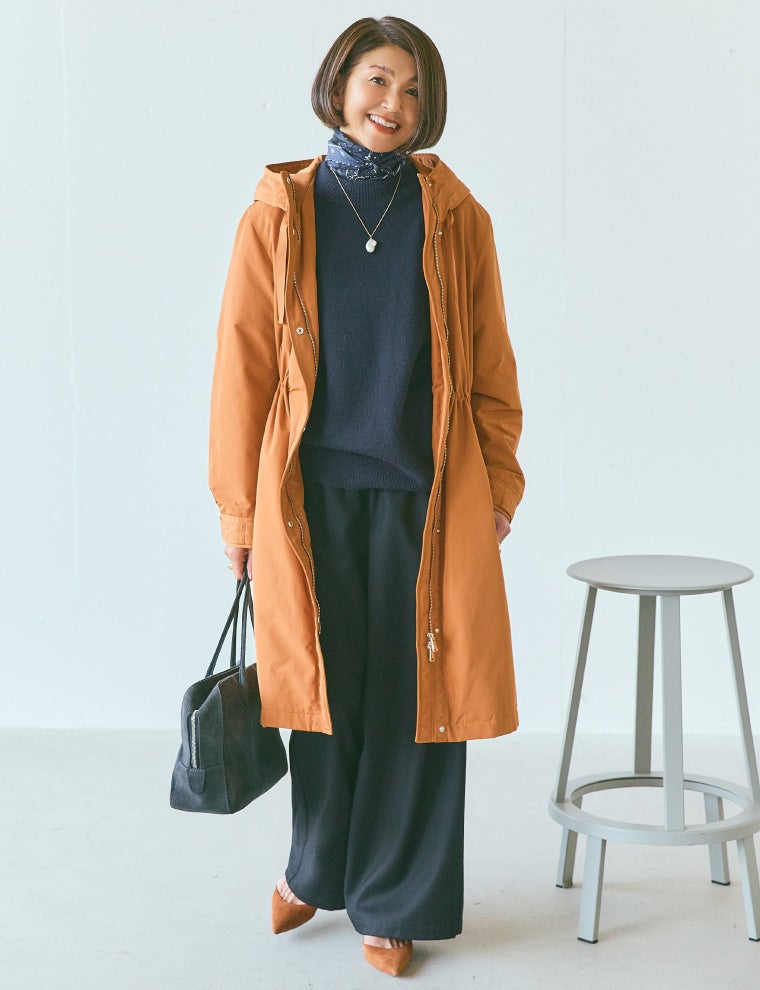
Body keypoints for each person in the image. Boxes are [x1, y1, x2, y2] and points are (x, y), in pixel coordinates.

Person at [209, 15, 524, 978]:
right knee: (320, 698)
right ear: (340, 84)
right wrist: (238, 512)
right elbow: (242, 372)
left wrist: (501, 481)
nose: (395, 103)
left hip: (429, 498)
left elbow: (491, 367)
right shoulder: (281, 211)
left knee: (420, 705)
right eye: (380, 80)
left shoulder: (456, 214)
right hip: (305, 499)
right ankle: (316, 868)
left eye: (415, 90)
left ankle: (392, 901)